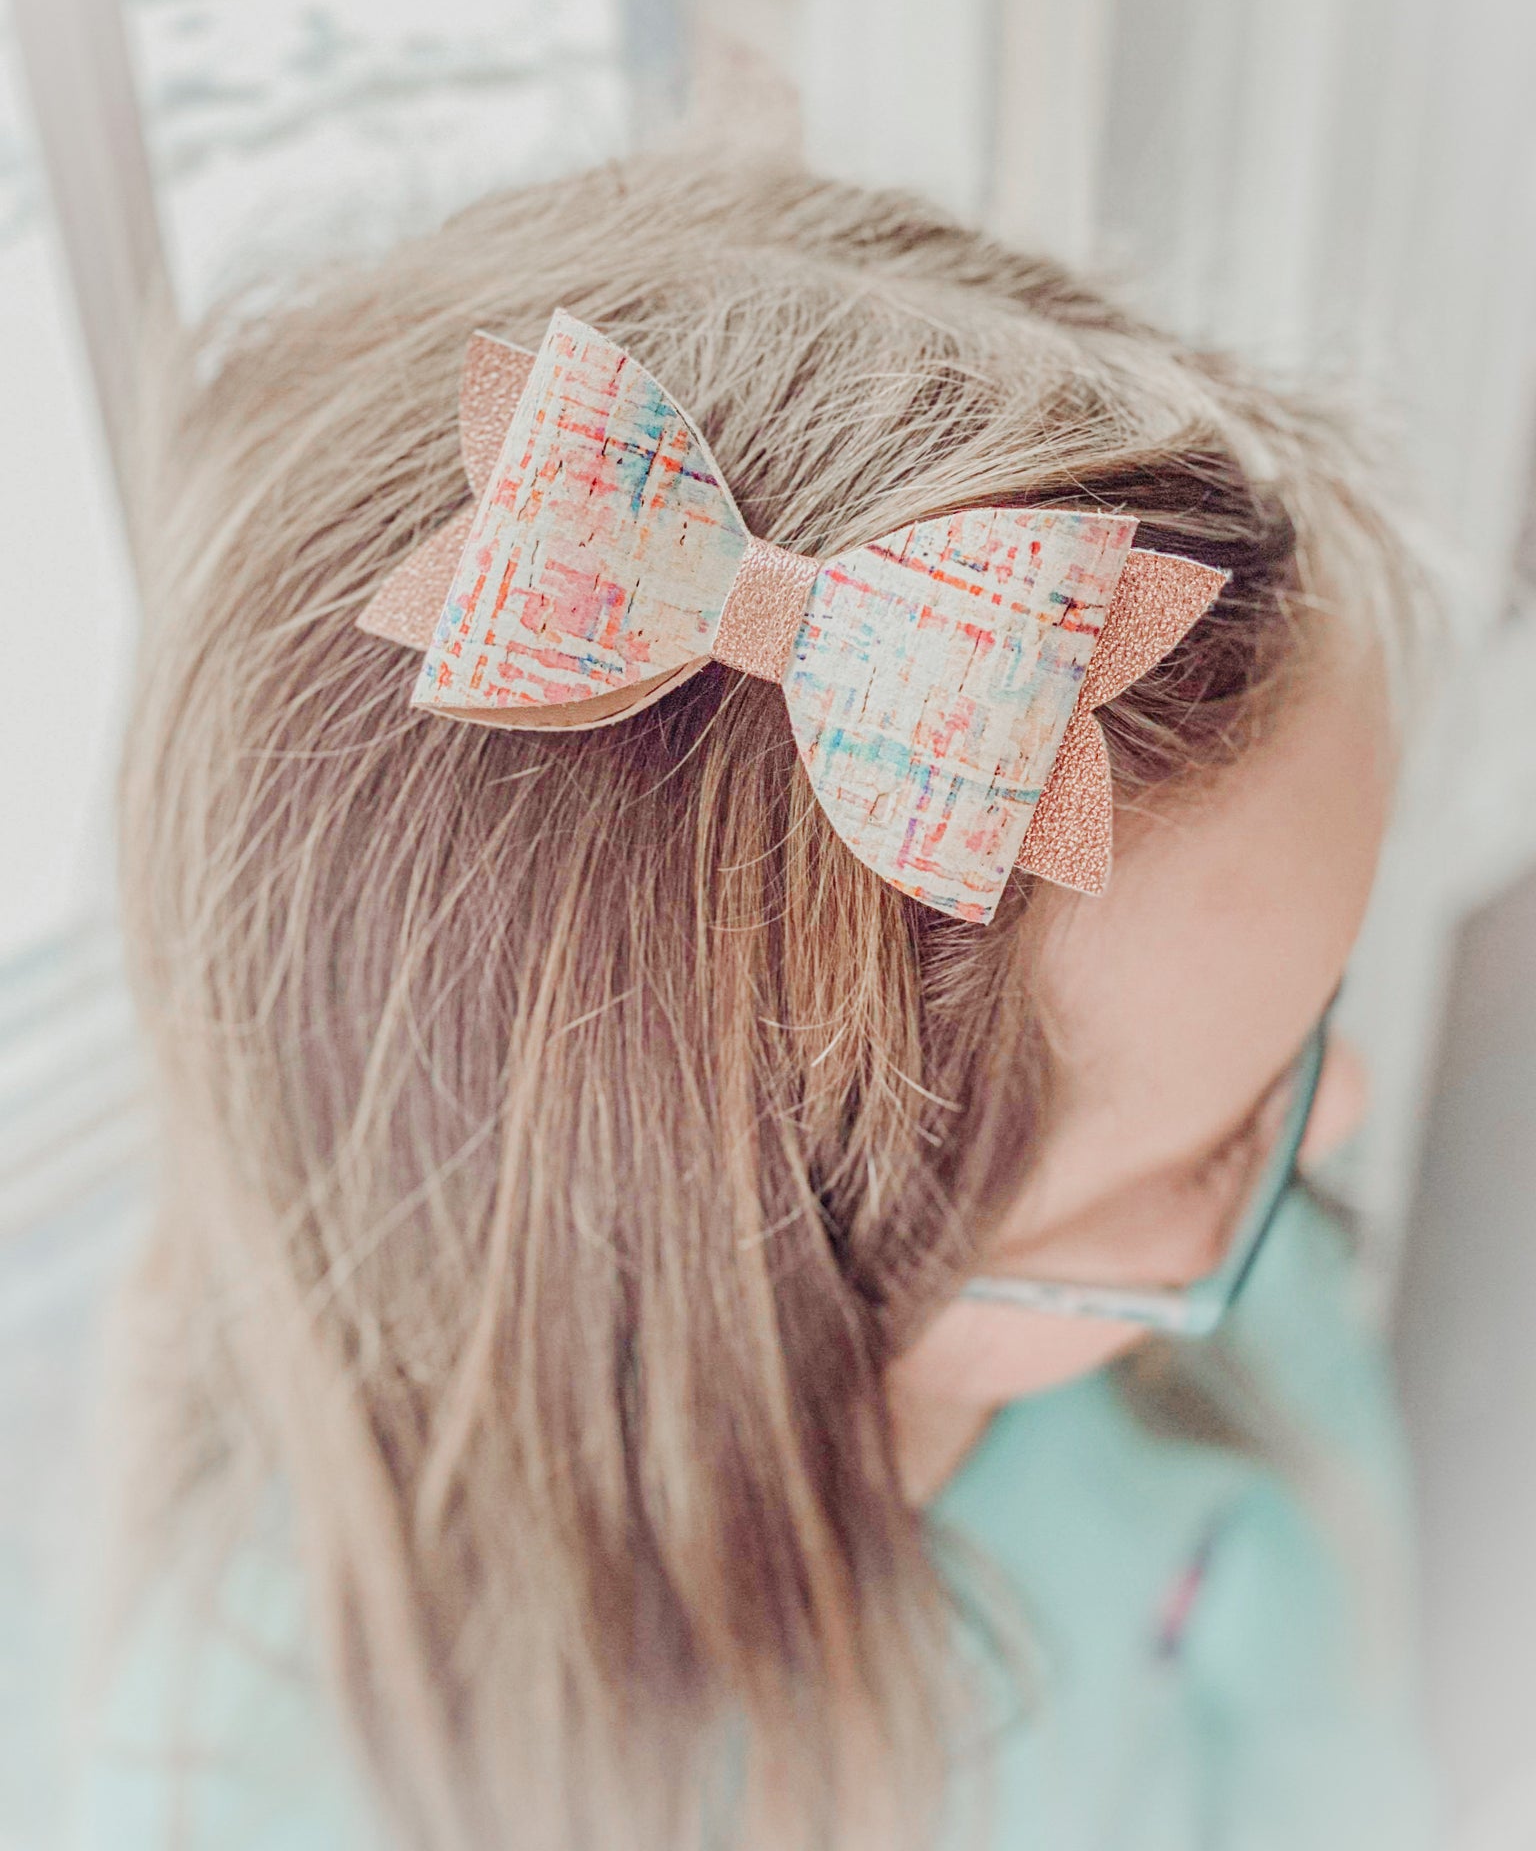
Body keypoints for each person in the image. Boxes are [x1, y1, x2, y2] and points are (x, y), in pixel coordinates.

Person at [91, 154, 1437, 1850]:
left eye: (1301, 1038)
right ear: (749, 1308)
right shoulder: (262, 1770)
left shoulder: (1232, 1329)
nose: (1341, 1106)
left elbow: (1342, 1745)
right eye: (1209, 1155)